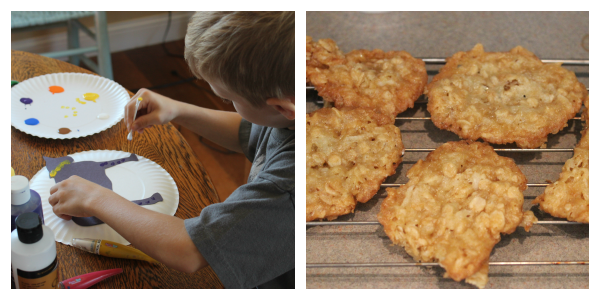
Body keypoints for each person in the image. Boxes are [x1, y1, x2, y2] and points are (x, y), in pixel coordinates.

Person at [48, 11, 295, 289]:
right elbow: (250, 131)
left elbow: (188, 250)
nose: (226, 102)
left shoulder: (290, 186)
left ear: (283, 108)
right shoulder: (301, 108)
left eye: (227, 99)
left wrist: (96, 198)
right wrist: (177, 109)